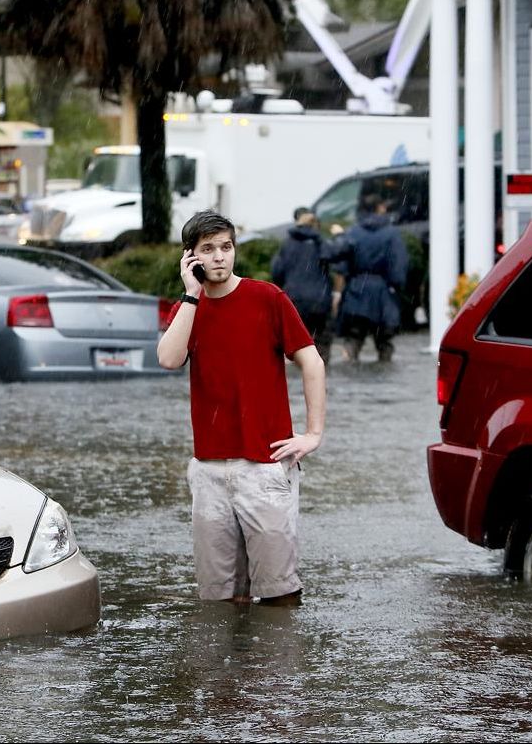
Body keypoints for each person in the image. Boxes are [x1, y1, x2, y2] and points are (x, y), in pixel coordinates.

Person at [157, 210, 326, 607]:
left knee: (280, 594)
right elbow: (168, 359)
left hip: (265, 466)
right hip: (209, 470)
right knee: (218, 599)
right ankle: (227, 671)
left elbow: (312, 361)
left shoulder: (266, 298)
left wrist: (313, 434)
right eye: (208, 249)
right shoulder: (189, 309)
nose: (219, 257)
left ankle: (276, 668)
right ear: (191, 257)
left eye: (226, 248)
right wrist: (190, 294)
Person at [334, 193, 407, 363]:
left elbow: (343, 263)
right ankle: (384, 370)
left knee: (354, 336)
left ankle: (350, 366)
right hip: (382, 290)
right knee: (384, 339)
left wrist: (340, 291)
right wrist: (397, 286)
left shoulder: (353, 232)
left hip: (356, 288)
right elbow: (398, 264)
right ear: (380, 208)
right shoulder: (391, 233)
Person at [271, 206, 339, 365]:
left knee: (296, 343)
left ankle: (300, 374)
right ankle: (320, 377)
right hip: (320, 301)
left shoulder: (287, 244)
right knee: (321, 343)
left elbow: (277, 271)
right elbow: (335, 257)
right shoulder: (321, 243)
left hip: (294, 300)